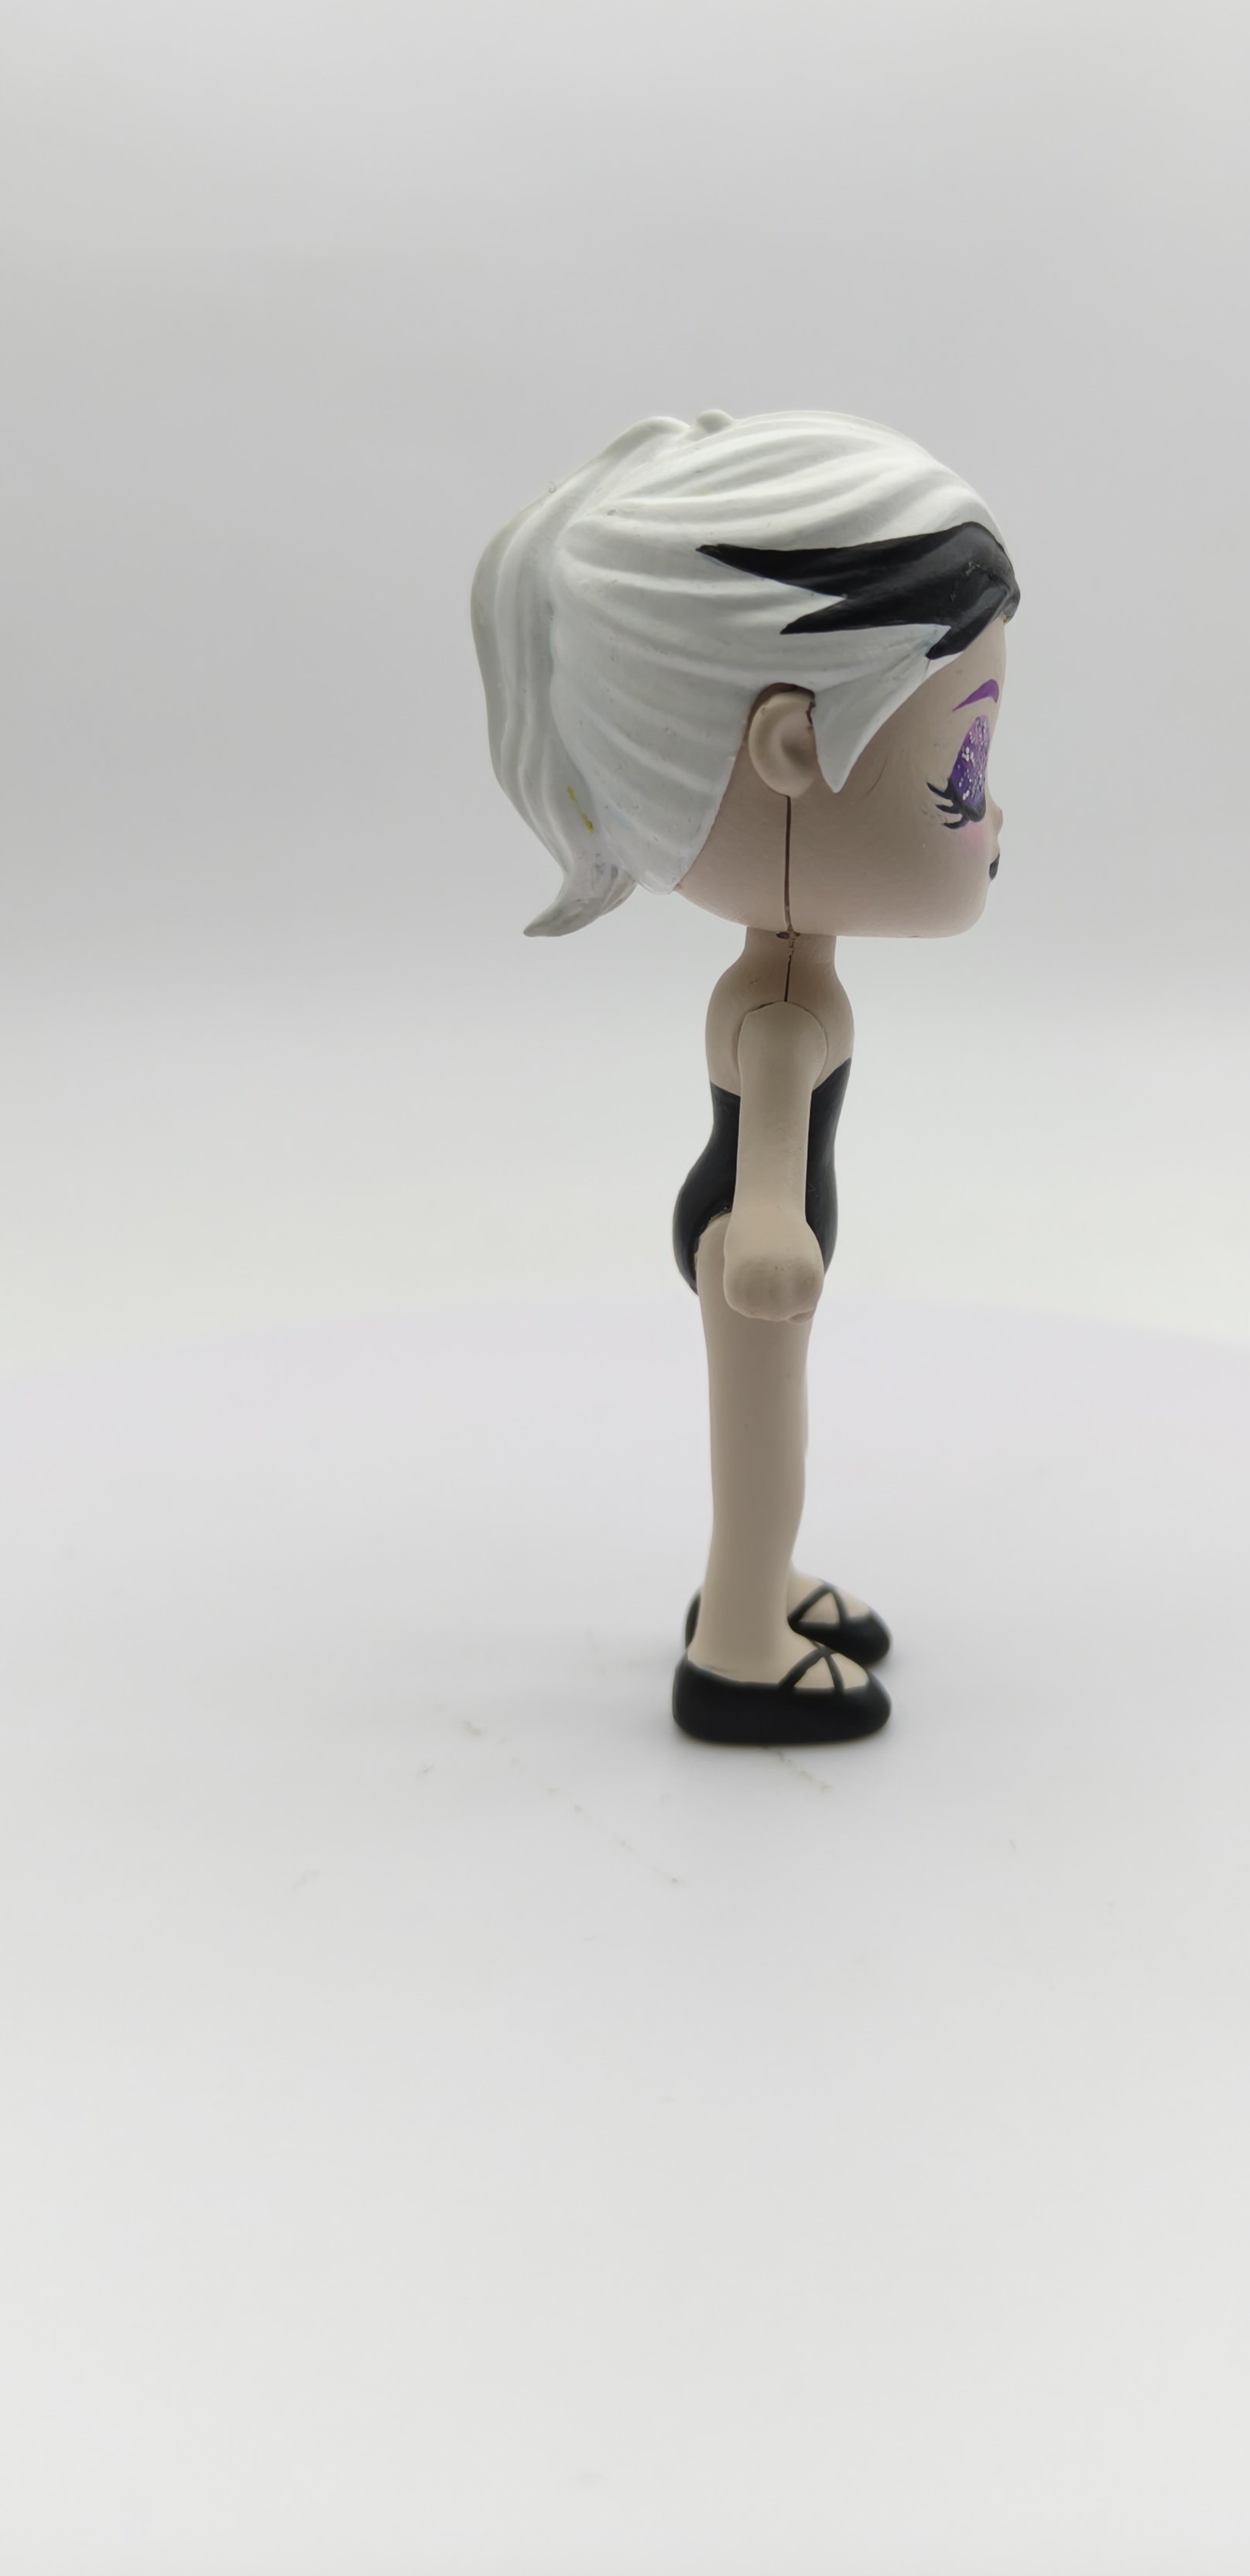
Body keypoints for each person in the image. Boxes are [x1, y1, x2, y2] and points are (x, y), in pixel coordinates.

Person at [472, 408, 1018, 1744]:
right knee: (768, 1449)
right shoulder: (781, 1006)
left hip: (750, 1237)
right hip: (751, 1253)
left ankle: (758, 1589)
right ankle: (739, 1643)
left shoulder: (785, 973)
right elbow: (773, 1129)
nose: (994, 817)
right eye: (963, 766)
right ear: (790, 747)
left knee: (769, 1450)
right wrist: (775, 1232)